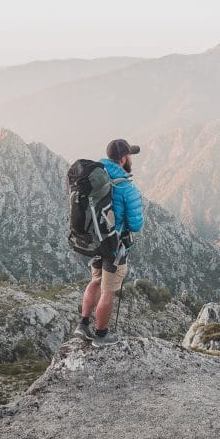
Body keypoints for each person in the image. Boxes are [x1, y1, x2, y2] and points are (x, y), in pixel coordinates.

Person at [74, 138, 144, 347]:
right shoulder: (126, 188)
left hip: (95, 242)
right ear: (123, 159)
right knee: (108, 290)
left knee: (95, 281)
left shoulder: (95, 178)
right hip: (114, 247)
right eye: (129, 155)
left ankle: (83, 325)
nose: (130, 159)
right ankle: (101, 335)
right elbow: (136, 224)